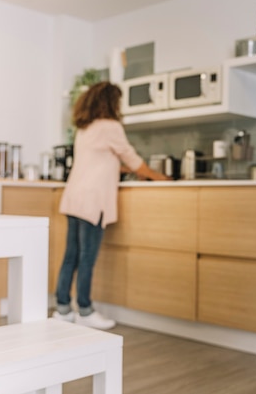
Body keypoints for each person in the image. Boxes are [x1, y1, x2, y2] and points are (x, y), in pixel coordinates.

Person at [53, 81, 170, 329]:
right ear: (110, 102)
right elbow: (131, 157)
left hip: (75, 197)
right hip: (93, 200)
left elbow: (101, 160)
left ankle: (63, 309)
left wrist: (127, 168)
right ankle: (85, 311)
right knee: (86, 257)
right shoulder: (110, 127)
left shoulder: (85, 128)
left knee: (70, 256)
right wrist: (159, 177)